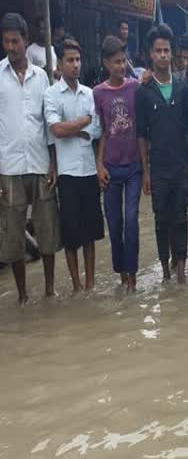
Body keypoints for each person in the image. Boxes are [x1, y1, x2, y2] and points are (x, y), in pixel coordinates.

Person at [0, 13, 60, 303]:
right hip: (9, 167)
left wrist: (53, 162)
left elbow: (48, 123)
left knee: (47, 229)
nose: (10, 47)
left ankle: (49, 291)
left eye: (15, 41)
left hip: (39, 163)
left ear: (26, 42)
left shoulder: (41, 77)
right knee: (13, 234)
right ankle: (23, 296)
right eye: (6, 41)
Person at [45, 37, 103, 293]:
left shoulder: (90, 93)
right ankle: (77, 285)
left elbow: (97, 130)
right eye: (70, 60)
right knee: (71, 235)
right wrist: (83, 123)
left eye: (78, 60)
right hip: (67, 173)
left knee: (90, 233)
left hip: (89, 169)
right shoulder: (51, 94)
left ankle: (90, 283)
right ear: (60, 63)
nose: (76, 65)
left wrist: (76, 128)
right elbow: (57, 129)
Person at [136, 24, 188, 284]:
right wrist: (146, 172)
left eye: (166, 50)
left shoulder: (182, 88)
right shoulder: (143, 91)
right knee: (161, 220)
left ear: (173, 53)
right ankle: (165, 271)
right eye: (157, 51)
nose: (162, 56)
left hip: (181, 166)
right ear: (150, 54)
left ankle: (181, 269)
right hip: (157, 168)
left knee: (181, 217)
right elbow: (141, 135)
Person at [94, 35, 142, 292]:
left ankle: (132, 275)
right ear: (105, 63)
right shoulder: (98, 93)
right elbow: (102, 132)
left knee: (132, 219)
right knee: (114, 223)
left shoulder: (135, 87)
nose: (121, 66)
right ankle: (121, 273)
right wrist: (99, 165)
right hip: (111, 167)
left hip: (134, 166)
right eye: (116, 62)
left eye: (124, 61)